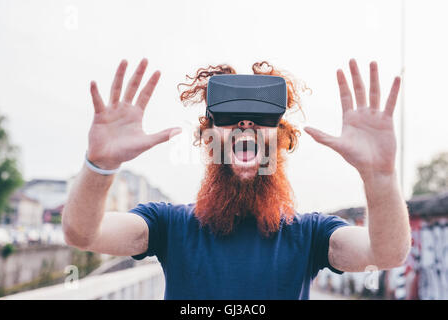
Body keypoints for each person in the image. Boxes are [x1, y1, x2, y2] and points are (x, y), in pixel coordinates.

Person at [61, 57, 411, 299]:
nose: (246, 124)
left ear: (281, 139)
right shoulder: (169, 225)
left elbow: (387, 254)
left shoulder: (310, 234)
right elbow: (83, 233)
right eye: (230, 117)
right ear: (209, 137)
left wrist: (380, 178)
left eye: (261, 118)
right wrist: (99, 166)